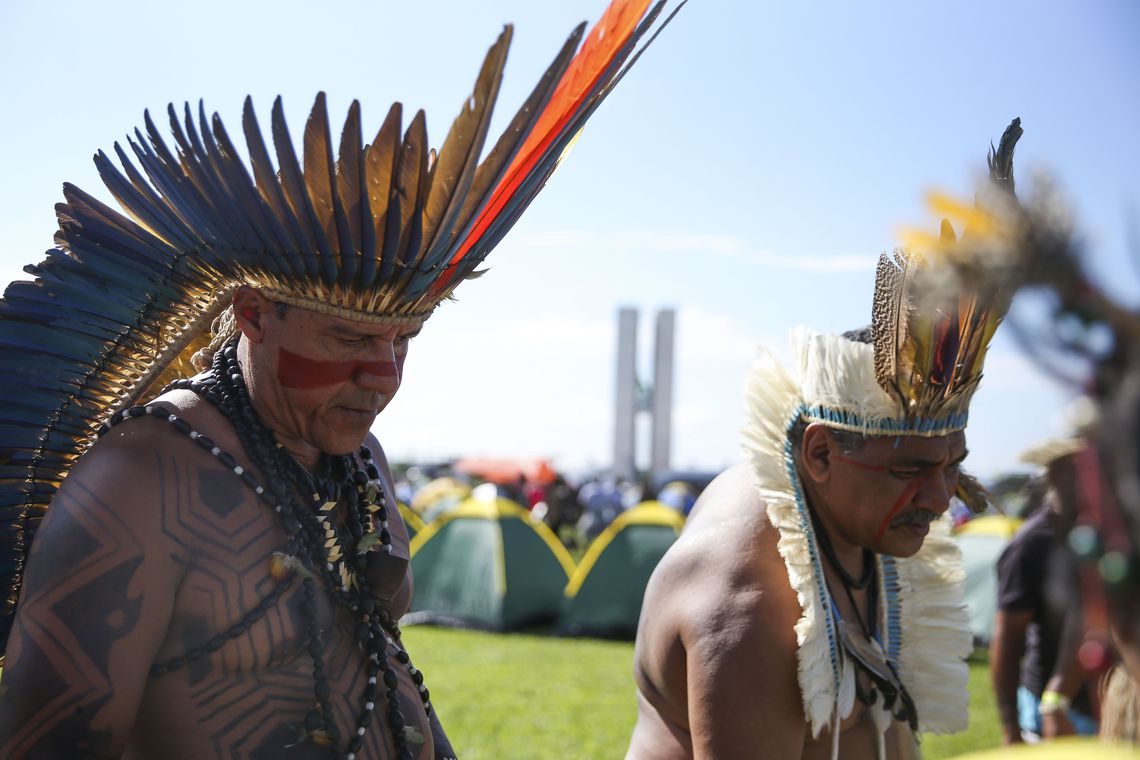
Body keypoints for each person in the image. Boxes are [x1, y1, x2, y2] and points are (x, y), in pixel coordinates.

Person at [0, 2, 679, 757]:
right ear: (253, 314)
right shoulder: (140, 480)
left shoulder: (361, 462)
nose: (382, 375)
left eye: (405, 339)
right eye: (350, 335)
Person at [626, 121, 1024, 760]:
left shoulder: (858, 517)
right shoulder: (750, 598)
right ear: (819, 455)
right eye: (912, 469)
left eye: (953, 466)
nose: (940, 496)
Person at [991, 434, 1098, 745]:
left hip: (1103, 704)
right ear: (1055, 473)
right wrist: (1011, 726)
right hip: (1051, 712)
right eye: (1083, 468)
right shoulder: (1030, 545)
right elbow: (1008, 639)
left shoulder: (1102, 531)